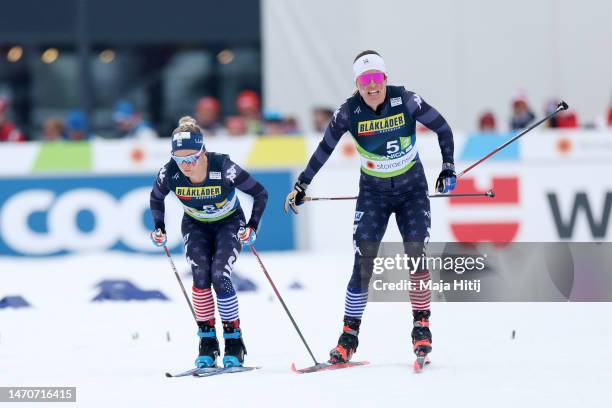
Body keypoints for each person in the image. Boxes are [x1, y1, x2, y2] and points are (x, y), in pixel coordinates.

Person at [284, 50, 456, 364]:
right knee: (362, 264)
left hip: (411, 191)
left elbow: (443, 128)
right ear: (357, 84)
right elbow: (324, 148)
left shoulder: (406, 100)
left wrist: (448, 167)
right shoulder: (348, 112)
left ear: (385, 79)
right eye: (365, 80)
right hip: (373, 194)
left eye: (377, 78)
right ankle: (348, 337)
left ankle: (421, 326)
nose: (372, 85)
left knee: (416, 254)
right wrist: (302, 184)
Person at [149, 116, 268, 368]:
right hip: (195, 225)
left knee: (219, 275)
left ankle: (234, 341)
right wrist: (159, 228)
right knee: (200, 277)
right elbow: (156, 198)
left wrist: (252, 226)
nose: (186, 165)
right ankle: (207, 342)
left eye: (192, 157)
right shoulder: (169, 171)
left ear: (203, 151)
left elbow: (259, 193)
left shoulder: (223, 167)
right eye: (180, 159)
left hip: (229, 223)